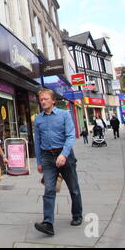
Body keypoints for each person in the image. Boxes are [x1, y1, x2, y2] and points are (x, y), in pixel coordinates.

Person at [33, 89, 83, 236]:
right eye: (41, 99)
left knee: (73, 188)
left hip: (65, 155)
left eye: (46, 99)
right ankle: (48, 223)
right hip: (48, 158)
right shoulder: (38, 119)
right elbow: (37, 142)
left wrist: (64, 154)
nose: (43, 101)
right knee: (49, 189)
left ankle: (77, 215)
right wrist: (39, 161)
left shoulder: (65, 115)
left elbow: (70, 136)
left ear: (53, 100)